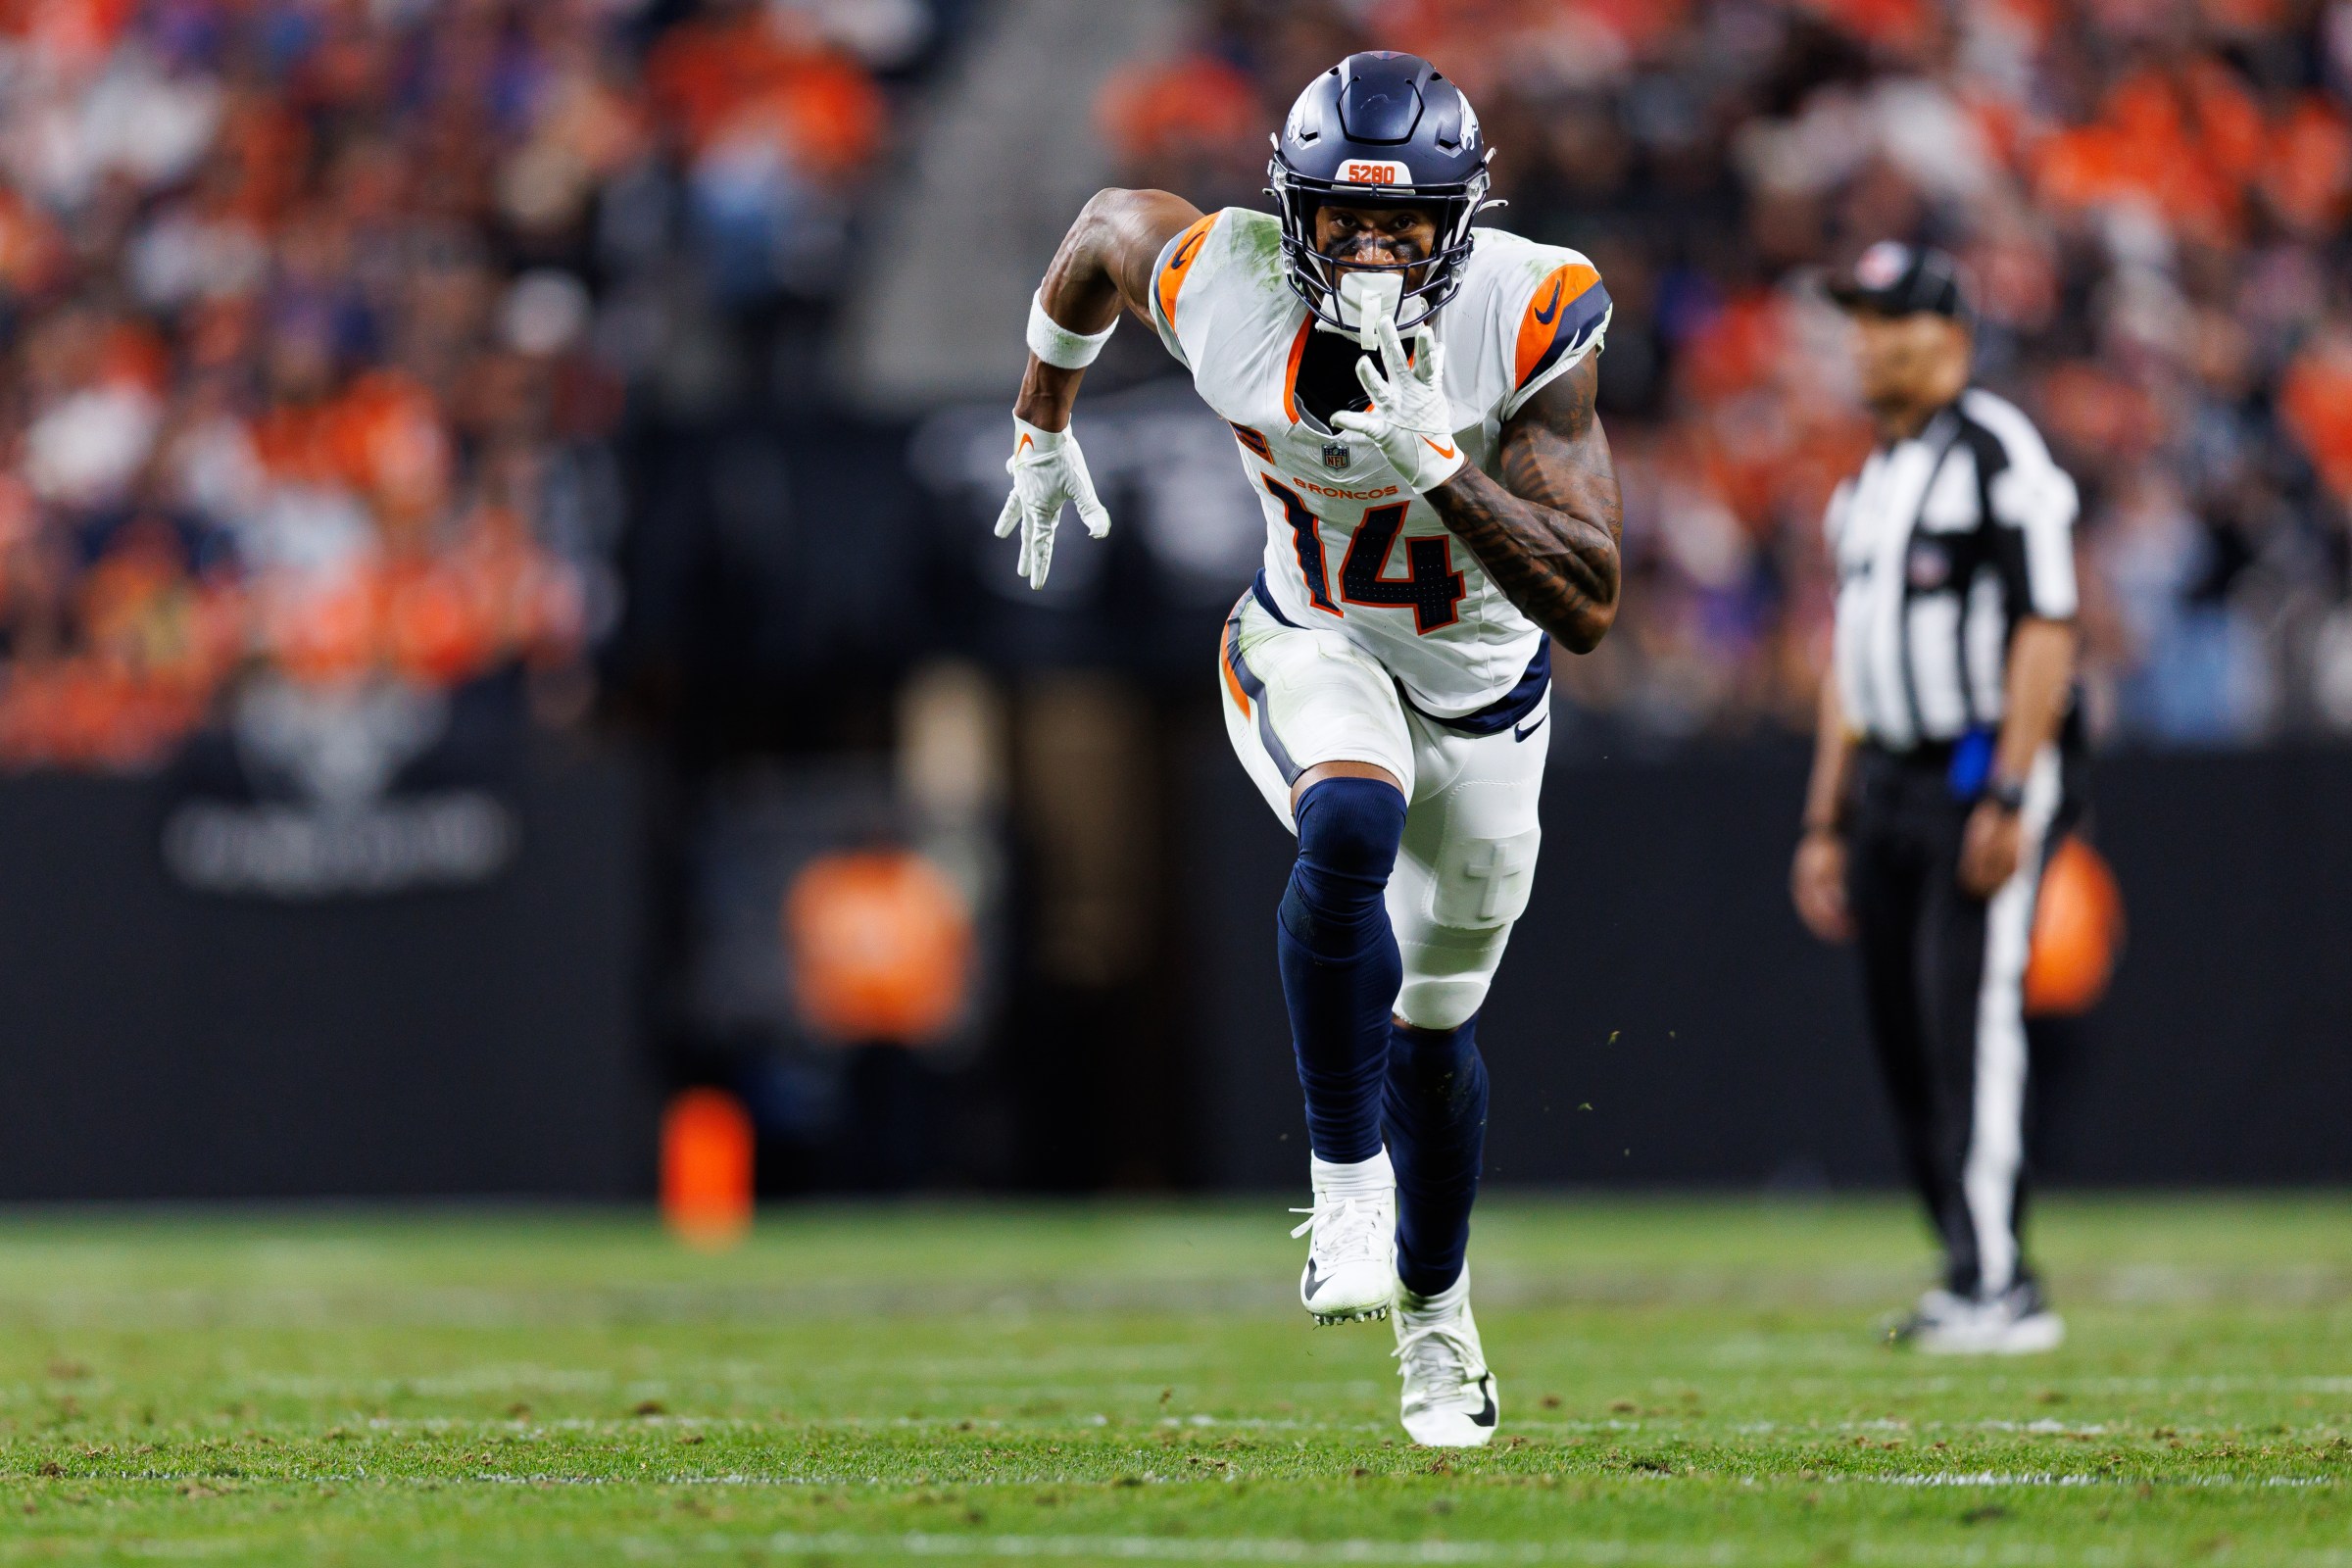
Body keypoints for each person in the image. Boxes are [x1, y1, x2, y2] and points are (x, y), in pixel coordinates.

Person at [995, 52, 1621, 1445]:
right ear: (1296, 211)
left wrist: (1444, 470)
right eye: (1346, 218)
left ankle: (1439, 1323)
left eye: (1406, 223)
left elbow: (1586, 599)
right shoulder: (1230, 280)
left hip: (1488, 703)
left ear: (1464, 221)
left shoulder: (1530, 308)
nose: (1377, 248)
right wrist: (1041, 418)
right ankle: (1345, 1190)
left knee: (1436, 1035)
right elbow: (1104, 227)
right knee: (1348, 819)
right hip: (1309, 642)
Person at [1791, 241, 2082, 1354]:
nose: (1867, 340)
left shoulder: (1996, 449)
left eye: (1890, 318)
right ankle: (1966, 1266)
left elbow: (2046, 625)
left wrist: (2009, 786)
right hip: (1887, 782)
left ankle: (2004, 1282)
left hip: (1972, 768)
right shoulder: (1864, 484)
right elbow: (1847, 670)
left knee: (1971, 1024)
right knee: (1903, 1030)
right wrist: (1825, 817)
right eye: (1858, 318)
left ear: (1952, 337)